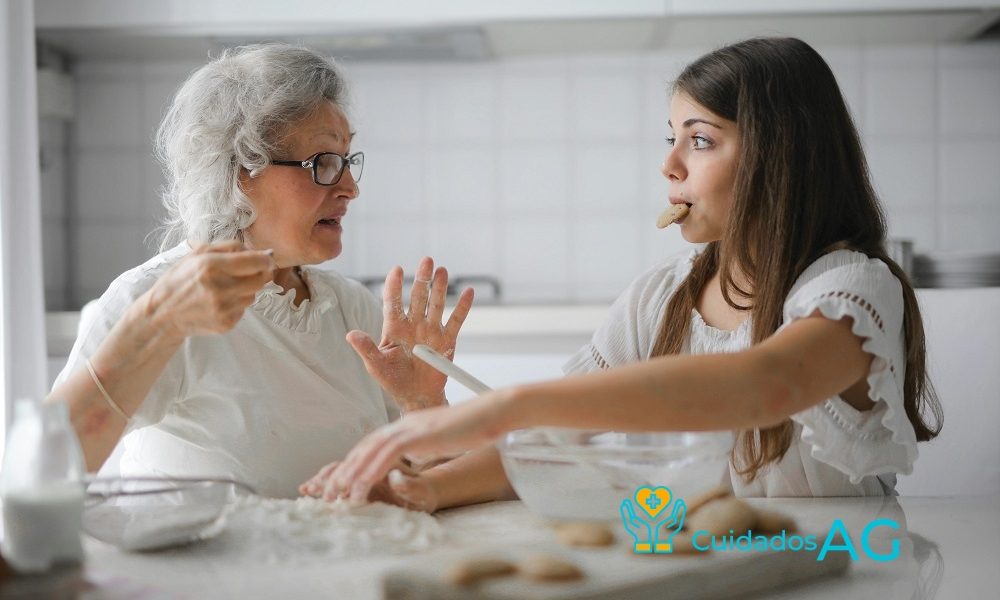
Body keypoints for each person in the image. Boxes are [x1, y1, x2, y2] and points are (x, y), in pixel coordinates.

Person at [302, 37, 943, 508]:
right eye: (670, 137)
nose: (668, 165)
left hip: (847, 575)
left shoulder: (852, 289)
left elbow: (768, 383)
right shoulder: (659, 297)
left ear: (781, 157)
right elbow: (558, 442)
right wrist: (427, 488)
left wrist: (510, 403)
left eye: (700, 139)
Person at [49, 44, 473, 498]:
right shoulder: (153, 298)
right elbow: (48, 467)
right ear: (238, 172)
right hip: (206, 569)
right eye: (323, 163)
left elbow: (419, 484)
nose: (350, 187)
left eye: (347, 161)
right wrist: (156, 323)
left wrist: (423, 406)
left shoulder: (351, 308)